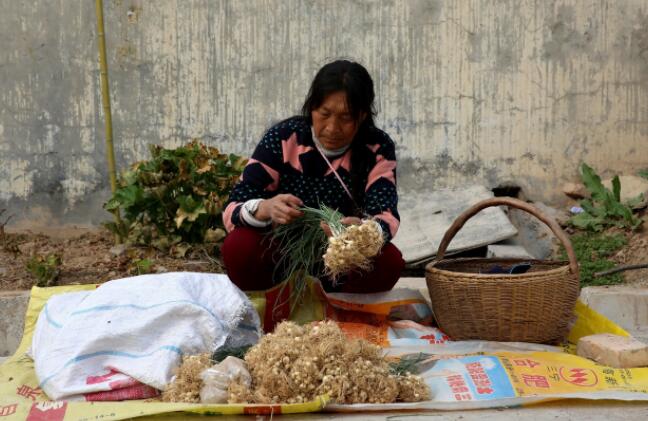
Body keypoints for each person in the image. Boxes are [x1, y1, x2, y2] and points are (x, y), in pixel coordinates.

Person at [221, 60, 404, 293]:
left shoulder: (376, 147)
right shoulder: (284, 138)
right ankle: (273, 302)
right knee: (239, 247)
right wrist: (266, 208)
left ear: (362, 115)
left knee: (389, 261)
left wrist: (361, 232)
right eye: (324, 114)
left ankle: (341, 310)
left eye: (346, 118)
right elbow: (232, 209)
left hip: (339, 260)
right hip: (282, 256)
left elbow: (385, 216)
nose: (332, 128)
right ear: (311, 108)